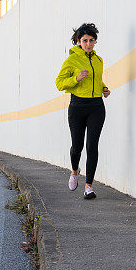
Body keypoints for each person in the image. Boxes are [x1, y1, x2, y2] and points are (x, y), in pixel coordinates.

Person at [55, 23, 110, 199]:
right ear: (78, 41)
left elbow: (97, 80)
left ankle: (89, 186)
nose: (88, 44)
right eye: (85, 40)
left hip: (96, 107)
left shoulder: (98, 60)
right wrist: (76, 78)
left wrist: (104, 89)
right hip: (77, 107)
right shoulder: (71, 60)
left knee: (92, 146)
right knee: (77, 147)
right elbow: (59, 83)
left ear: (95, 41)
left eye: (91, 40)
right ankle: (74, 170)